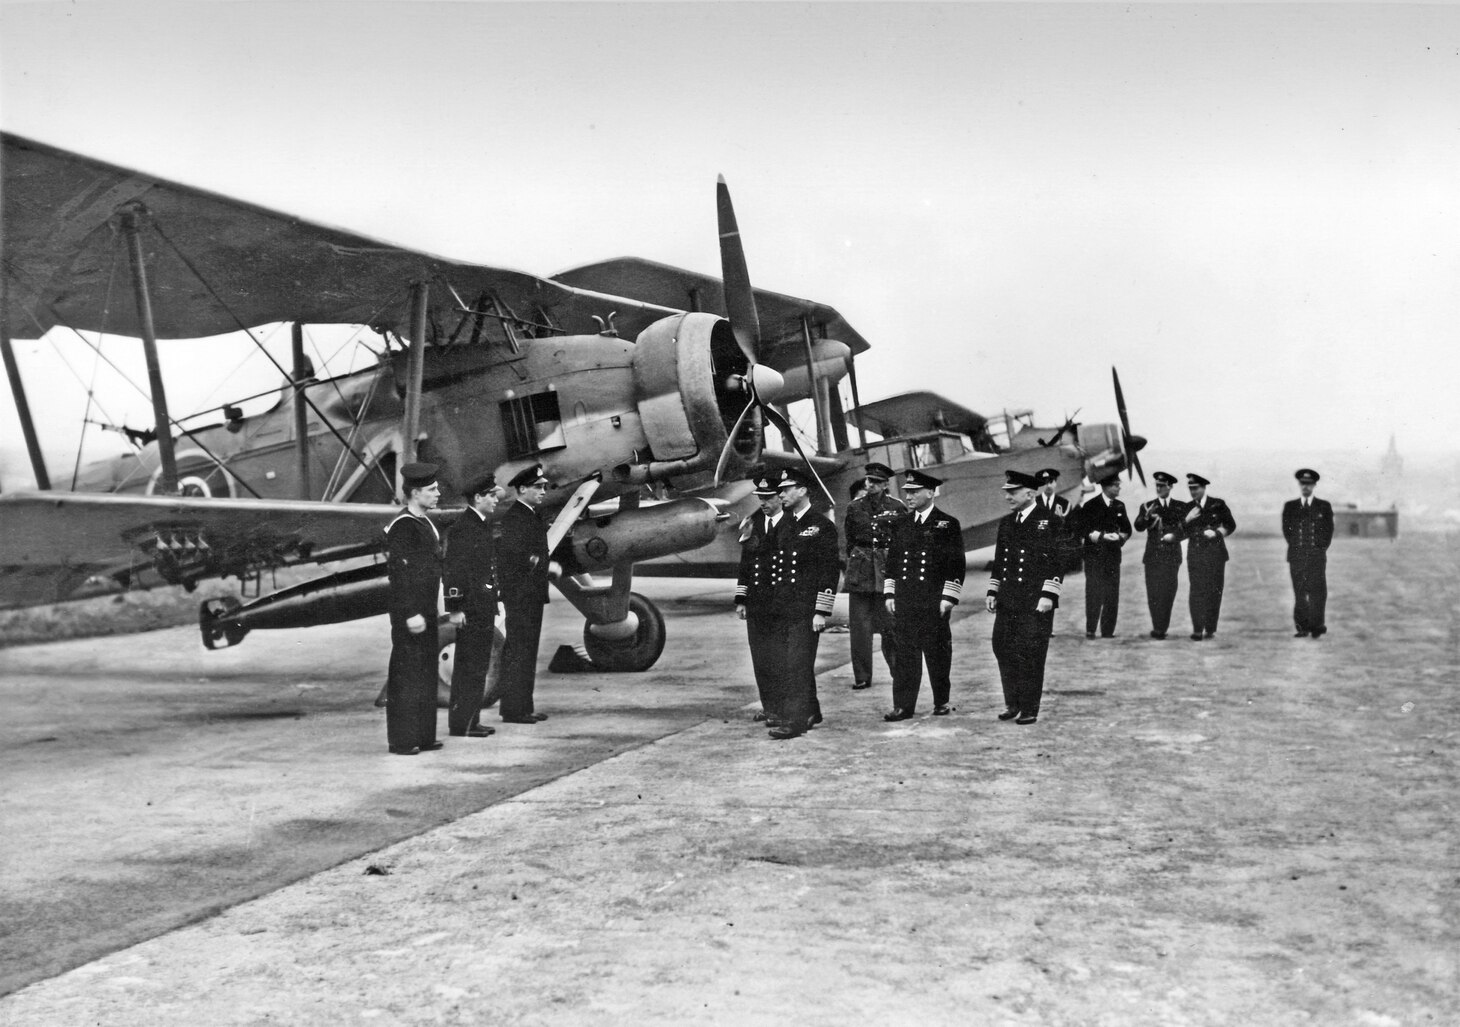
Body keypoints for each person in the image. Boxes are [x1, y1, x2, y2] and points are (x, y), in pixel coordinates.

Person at [882, 469, 965, 720]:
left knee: (937, 653)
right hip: (906, 599)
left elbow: (956, 564)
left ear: (930, 492)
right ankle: (903, 706)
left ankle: (941, 700)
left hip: (933, 601)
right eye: (907, 492)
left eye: (914, 492)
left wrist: (949, 597)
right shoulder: (901, 523)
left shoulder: (947, 524)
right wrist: (889, 593)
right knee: (905, 656)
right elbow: (893, 562)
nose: (908, 496)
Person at [766, 468, 840, 740]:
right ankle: (812, 710)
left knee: (796, 664)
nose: (781, 494)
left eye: (786, 489)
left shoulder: (822, 526)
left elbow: (829, 571)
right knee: (792, 661)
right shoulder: (783, 524)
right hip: (784, 607)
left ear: (803, 490)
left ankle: (795, 721)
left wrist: (822, 610)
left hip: (807, 609)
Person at [986, 469, 1063, 725]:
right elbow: (1000, 561)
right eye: (1006, 491)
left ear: (1030, 493)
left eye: (1013, 491)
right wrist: (992, 590)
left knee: (1031, 653)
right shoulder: (1007, 523)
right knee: (1002, 646)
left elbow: (1057, 561)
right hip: (1008, 599)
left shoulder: (1049, 520)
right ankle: (1013, 703)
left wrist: (1048, 594)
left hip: (1035, 601)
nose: (1007, 496)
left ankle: (1029, 707)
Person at [383, 462, 446, 756]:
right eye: (432, 490)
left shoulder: (424, 522)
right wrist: (410, 613)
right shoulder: (403, 526)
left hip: (427, 611)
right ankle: (403, 740)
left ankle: (423, 735)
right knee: (407, 676)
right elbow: (399, 575)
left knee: (425, 673)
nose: (438, 493)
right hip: (412, 615)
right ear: (416, 492)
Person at [496, 464, 559, 723]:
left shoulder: (530, 515)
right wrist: (547, 567)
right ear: (522, 489)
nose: (543, 491)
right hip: (520, 596)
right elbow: (520, 559)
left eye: (544, 487)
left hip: (530, 595)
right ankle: (513, 710)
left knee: (527, 650)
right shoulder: (515, 518)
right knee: (519, 650)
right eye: (538, 487)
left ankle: (524, 707)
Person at [443, 474, 502, 739]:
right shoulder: (463, 528)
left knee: (478, 666)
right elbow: (453, 572)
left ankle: (471, 721)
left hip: (483, 607)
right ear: (478, 498)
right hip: (470, 609)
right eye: (491, 495)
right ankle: (461, 723)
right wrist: (455, 608)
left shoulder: (479, 525)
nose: (496, 499)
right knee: (469, 666)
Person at [842, 462, 904, 692]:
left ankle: (899, 672)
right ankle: (862, 676)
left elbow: (902, 541)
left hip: (886, 569)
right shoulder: (854, 507)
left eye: (876, 482)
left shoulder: (897, 507)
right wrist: (857, 559)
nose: (871, 485)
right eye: (869, 481)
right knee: (859, 628)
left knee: (890, 626)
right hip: (861, 568)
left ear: (886, 484)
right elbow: (849, 540)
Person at [734, 473, 784, 722]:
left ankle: (783, 707)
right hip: (758, 602)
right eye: (760, 498)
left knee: (781, 656)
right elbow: (747, 563)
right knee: (761, 657)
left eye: (768, 497)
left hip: (782, 601)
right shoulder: (753, 522)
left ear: (781, 497)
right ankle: (769, 706)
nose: (763, 502)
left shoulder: (791, 524)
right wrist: (742, 599)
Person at [1073, 476, 1131, 638]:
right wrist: (1101, 536)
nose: (1119, 488)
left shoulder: (1120, 506)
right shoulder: (1091, 506)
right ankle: (1091, 629)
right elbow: (1082, 529)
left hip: (1113, 556)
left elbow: (1127, 529)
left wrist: (1119, 538)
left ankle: (1107, 631)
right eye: (1116, 485)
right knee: (1093, 592)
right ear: (1106, 487)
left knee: (1112, 594)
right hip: (1094, 556)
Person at [1133, 471, 1188, 639]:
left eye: (1162, 486)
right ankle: (1158, 627)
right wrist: (1146, 516)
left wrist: (1175, 536)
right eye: (1157, 485)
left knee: (1168, 592)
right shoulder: (1147, 506)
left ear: (1170, 487)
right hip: (1153, 557)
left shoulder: (1180, 507)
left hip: (1171, 557)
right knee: (1153, 593)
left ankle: (1162, 626)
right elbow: (1138, 526)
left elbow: (1187, 530)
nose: (1159, 489)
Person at [1182, 473, 1237, 640]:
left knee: (1214, 591)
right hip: (1196, 554)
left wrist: (1217, 533)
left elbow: (1230, 525)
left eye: (1196, 488)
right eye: (1190, 488)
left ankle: (1210, 628)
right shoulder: (1188, 508)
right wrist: (1187, 519)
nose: (1193, 492)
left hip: (1216, 554)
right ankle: (1197, 629)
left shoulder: (1218, 504)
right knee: (1196, 591)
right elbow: (1182, 532)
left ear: (1204, 488)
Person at [1282, 468, 1334, 638]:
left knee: (1318, 592)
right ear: (1299, 485)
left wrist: (1318, 550)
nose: (1306, 487)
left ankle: (1317, 626)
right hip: (1297, 556)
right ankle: (1302, 627)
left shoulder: (1324, 506)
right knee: (1300, 591)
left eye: (1309, 484)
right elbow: (1287, 531)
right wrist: (1299, 549)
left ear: (1314, 485)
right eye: (1303, 484)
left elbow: (1328, 532)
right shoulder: (1290, 506)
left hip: (1316, 557)